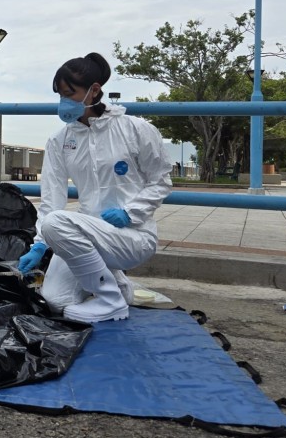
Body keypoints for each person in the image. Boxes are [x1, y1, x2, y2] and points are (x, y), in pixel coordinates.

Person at [17, 53, 172, 323]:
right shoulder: (60, 141)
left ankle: (110, 301)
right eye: (60, 95)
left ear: (95, 90)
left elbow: (160, 180)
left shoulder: (134, 129)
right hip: (86, 235)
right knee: (55, 301)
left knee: (57, 224)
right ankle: (117, 286)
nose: (64, 103)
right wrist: (40, 245)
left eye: (70, 93)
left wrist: (131, 212)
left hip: (132, 235)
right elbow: (52, 198)